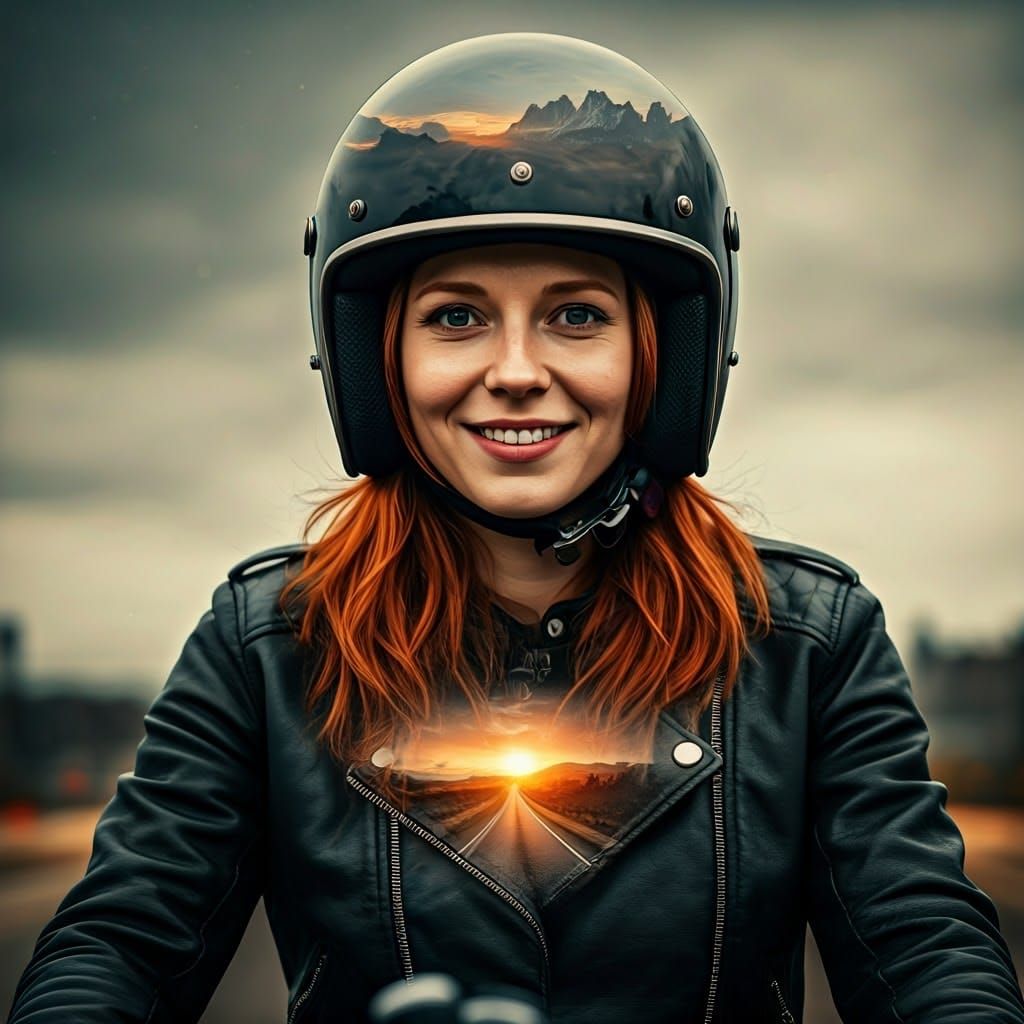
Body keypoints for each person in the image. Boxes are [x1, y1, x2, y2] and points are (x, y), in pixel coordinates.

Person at [7, 31, 1023, 1024]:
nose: (516, 369)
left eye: (576, 315)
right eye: (456, 316)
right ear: (375, 358)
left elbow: (926, 945)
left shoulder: (809, 644)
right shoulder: (264, 645)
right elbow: (118, 946)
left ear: (663, 353)